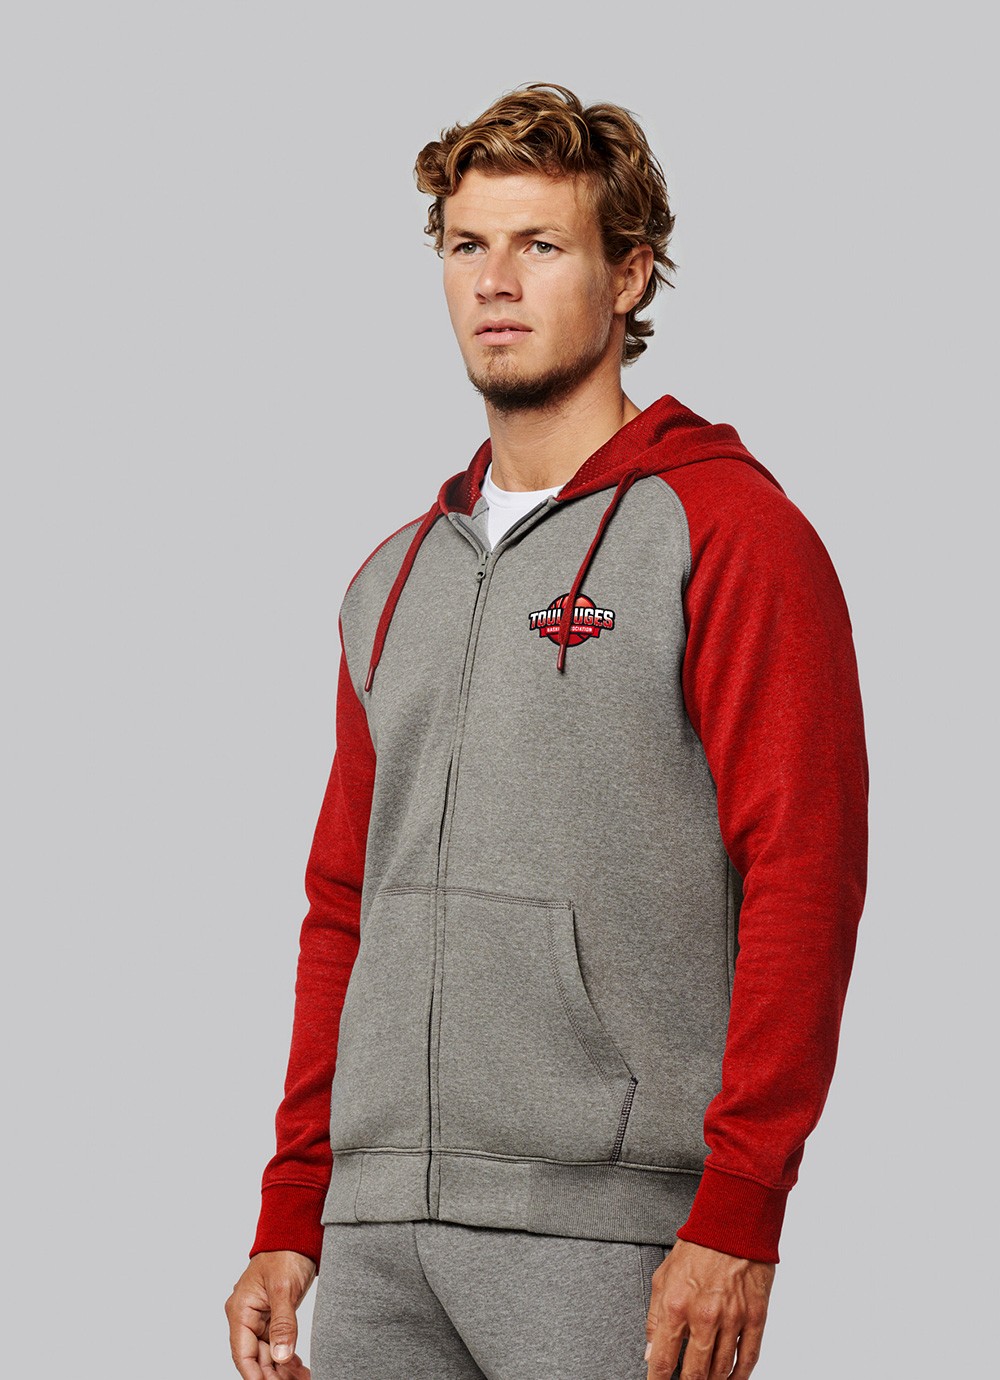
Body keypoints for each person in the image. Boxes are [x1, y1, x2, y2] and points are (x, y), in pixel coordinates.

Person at [225, 82, 869, 1380]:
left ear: (629, 275)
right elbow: (344, 903)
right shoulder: (393, 580)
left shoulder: (730, 535)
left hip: (613, 1227)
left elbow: (805, 869)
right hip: (379, 1229)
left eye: (542, 244)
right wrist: (294, 1206)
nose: (496, 281)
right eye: (468, 244)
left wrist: (742, 1204)